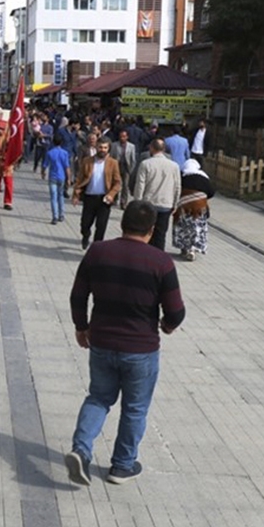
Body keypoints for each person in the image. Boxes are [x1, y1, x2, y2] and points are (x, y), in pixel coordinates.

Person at [64, 200, 186, 486]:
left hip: (102, 342)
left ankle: (81, 449)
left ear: (121, 224)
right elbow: (176, 312)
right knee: (135, 408)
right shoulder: (161, 262)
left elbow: (78, 296)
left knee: (98, 398)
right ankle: (122, 465)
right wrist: (167, 326)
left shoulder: (98, 252)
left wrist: (81, 327)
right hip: (140, 349)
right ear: (152, 229)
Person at [132, 138, 183, 252]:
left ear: (151, 148)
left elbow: (140, 185)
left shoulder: (145, 164)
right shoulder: (174, 166)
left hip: (148, 203)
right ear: (164, 149)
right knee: (161, 234)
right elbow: (177, 186)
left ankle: (146, 254)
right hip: (166, 204)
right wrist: (175, 203)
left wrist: (137, 202)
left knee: (146, 231)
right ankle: (159, 255)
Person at [71, 137, 121, 249]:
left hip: (104, 199)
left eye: (105, 148)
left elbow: (117, 182)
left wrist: (111, 194)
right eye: (100, 147)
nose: (102, 150)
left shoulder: (113, 163)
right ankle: (86, 235)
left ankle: (96, 248)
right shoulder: (87, 161)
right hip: (89, 197)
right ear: (96, 147)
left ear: (108, 149)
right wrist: (75, 195)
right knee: (85, 224)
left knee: (101, 226)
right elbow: (80, 179)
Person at [172, 159, 216, 261]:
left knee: (183, 228)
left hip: (184, 207)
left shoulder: (182, 176)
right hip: (199, 208)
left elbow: (177, 189)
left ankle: (184, 248)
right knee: (196, 228)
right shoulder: (203, 177)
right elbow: (211, 192)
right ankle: (193, 249)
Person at [44, 133, 71, 225]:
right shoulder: (65, 153)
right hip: (62, 176)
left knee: (53, 197)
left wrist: (43, 172)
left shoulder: (50, 152)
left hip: (52, 176)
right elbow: (67, 167)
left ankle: (54, 217)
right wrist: (69, 178)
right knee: (60, 196)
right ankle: (61, 214)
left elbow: (45, 165)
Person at [108, 129, 138, 210]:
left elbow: (133, 159)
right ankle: (114, 199)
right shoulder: (114, 145)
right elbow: (111, 156)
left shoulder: (131, 146)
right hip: (116, 166)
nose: (122, 138)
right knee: (116, 183)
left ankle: (123, 202)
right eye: (121, 136)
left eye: (124, 136)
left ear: (127, 137)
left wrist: (131, 169)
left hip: (126, 167)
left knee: (125, 185)